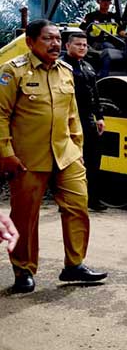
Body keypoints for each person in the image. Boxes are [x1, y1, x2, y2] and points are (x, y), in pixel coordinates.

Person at [0, 19, 108, 294]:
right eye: (48, 38)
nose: (55, 43)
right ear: (30, 41)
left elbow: (72, 114)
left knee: (78, 205)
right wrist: (6, 154)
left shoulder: (66, 71)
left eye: (58, 39)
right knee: (25, 217)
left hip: (66, 154)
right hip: (27, 158)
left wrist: (77, 147)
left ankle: (74, 264)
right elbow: (0, 115)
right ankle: (23, 269)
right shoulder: (12, 72)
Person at [62, 31, 106, 211]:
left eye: (84, 45)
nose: (82, 48)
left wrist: (100, 117)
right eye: (78, 44)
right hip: (66, 118)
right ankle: (66, 200)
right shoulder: (61, 66)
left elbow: (94, 94)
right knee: (69, 161)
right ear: (67, 46)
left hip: (87, 118)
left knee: (93, 158)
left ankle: (93, 199)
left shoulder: (87, 66)